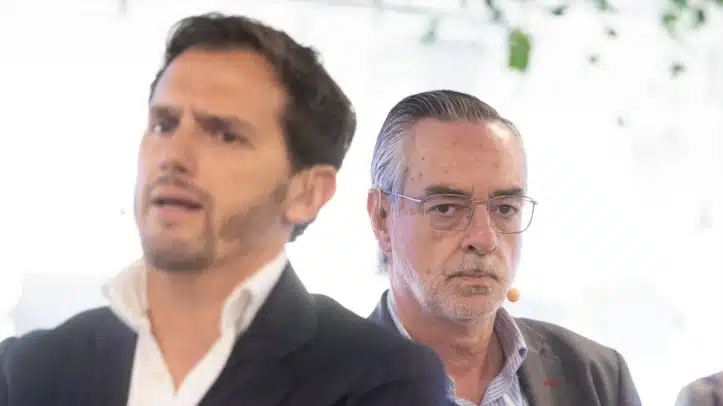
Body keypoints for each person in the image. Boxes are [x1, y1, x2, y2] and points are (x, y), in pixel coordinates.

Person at [0, 14, 450, 406]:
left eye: (224, 135)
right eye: (164, 124)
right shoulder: (28, 370)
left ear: (307, 193)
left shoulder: (381, 380)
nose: (172, 155)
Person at [366, 89, 642, 405]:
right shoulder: (328, 386)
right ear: (382, 217)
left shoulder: (597, 377)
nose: (485, 239)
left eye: (505, 209)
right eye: (446, 208)